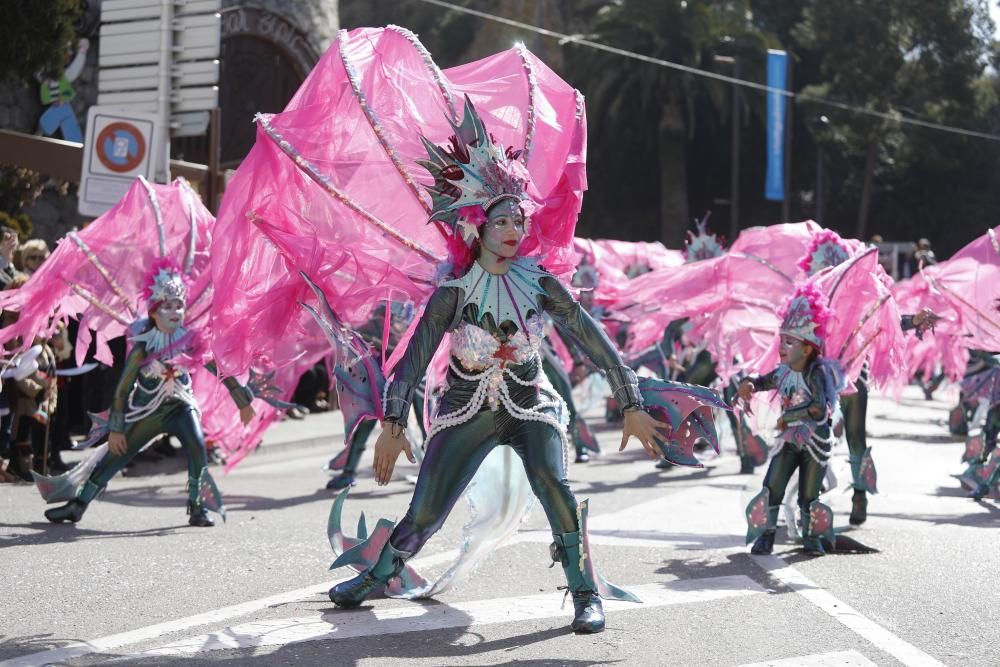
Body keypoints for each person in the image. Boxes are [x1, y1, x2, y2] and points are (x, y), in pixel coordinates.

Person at [327, 100, 678, 633]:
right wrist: (393, 423)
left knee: (554, 486)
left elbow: (593, 340)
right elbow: (414, 359)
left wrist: (628, 400)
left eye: (520, 218)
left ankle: (584, 592)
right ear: (478, 226)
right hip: (465, 410)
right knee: (426, 512)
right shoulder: (453, 292)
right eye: (503, 220)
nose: (515, 228)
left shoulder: (540, 282)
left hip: (530, 404)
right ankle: (379, 573)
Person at [41, 260, 256, 526]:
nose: (175, 311)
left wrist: (242, 401)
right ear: (154, 311)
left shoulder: (189, 339)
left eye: (179, 304)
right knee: (115, 457)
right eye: (167, 305)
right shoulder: (143, 346)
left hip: (180, 406)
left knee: (197, 445)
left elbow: (218, 367)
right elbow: (122, 389)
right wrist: (117, 429)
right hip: (146, 411)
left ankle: (197, 507)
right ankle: (78, 504)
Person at [739, 284, 846, 557]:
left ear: (808, 348)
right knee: (773, 483)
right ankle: (767, 536)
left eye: (790, 342)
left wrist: (789, 416)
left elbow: (820, 410)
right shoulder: (784, 371)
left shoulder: (817, 372)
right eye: (781, 340)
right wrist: (749, 383)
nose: (782, 347)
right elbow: (763, 381)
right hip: (790, 440)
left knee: (808, 495)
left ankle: (811, 538)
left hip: (816, 443)